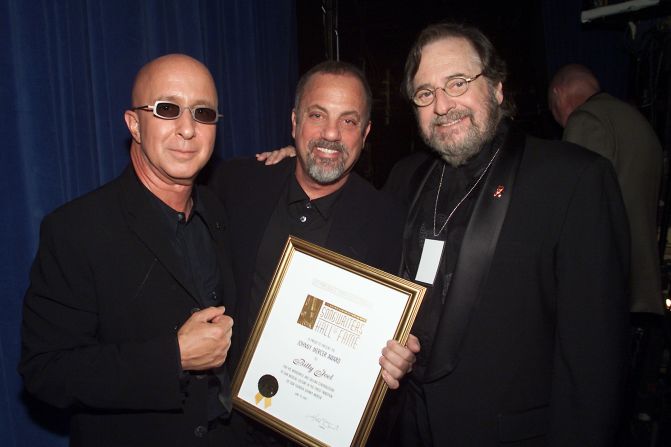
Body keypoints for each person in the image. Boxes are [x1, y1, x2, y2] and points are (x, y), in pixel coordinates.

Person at [378, 23, 630, 446]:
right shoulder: (406, 178)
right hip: (408, 429)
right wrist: (300, 170)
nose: (442, 104)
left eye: (457, 83)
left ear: (496, 87)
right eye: (425, 93)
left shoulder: (573, 179)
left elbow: (593, 367)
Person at [20, 54, 235, 446]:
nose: (188, 129)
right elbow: (45, 371)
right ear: (134, 124)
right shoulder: (76, 229)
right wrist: (172, 358)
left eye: (203, 113)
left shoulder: (218, 211)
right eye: (167, 109)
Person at [208, 60, 418, 445]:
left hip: (316, 431)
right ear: (294, 122)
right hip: (227, 427)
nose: (331, 134)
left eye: (349, 121)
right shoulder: (237, 183)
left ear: (366, 132)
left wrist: (401, 354)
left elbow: (395, 332)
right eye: (317, 115)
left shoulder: (390, 224)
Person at [548, 63, 664, 316]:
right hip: (644, 286)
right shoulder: (633, 118)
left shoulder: (586, 119)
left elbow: (576, 208)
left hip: (612, 291)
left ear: (558, 94)